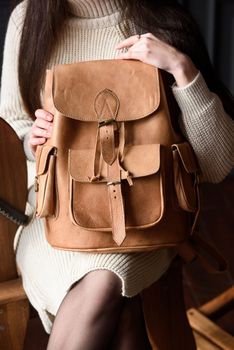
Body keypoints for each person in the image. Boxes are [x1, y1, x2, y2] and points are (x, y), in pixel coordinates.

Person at [0, 0, 234, 349]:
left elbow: (217, 164)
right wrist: (31, 140)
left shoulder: (160, 17)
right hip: (53, 219)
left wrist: (183, 70)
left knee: (106, 279)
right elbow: (15, 122)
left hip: (147, 217)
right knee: (120, 310)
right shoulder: (27, 18)